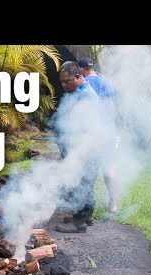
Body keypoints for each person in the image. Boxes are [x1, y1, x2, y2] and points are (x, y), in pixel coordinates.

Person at [50, 61, 104, 233]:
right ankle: (85, 216)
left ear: (79, 76)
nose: (64, 85)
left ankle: (78, 223)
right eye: (62, 82)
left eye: (67, 81)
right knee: (85, 182)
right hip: (81, 148)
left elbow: (88, 129)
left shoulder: (86, 96)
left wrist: (78, 153)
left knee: (81, 183)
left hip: (86, 148)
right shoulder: (77, 92)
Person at [78, 57, 119, 214]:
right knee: (109, 168)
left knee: (88, 171)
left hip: (91, 133)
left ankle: (86, 208)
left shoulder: (83, 84)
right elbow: (117, 107)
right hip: (109, 132)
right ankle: (114, 204)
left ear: (82, 69)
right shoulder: (108, 82)